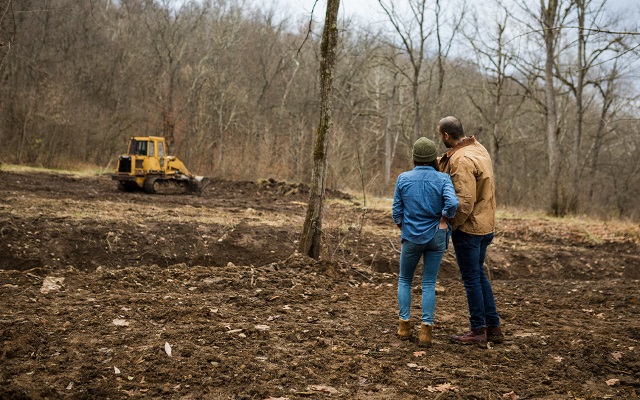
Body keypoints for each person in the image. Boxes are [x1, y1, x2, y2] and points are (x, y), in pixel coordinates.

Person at [436, 116, 504, 347]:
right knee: (479, 275)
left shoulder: (461, 160)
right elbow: (449, 163)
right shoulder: (477, 148)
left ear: (446, 135)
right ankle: (493, 326)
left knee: (472, 278)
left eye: (440, 135)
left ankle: (478, 330)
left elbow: (464, 202)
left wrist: (449, 224)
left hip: (470, 228)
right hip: (486, 225)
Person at [392, 137, 458, 347]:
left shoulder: (403, 179)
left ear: (415, 158)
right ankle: (425, 332)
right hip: (436, 235)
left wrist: (405, 227)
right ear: (432, 159)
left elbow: (396, 211)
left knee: (405, 280)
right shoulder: (443, 179)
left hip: (411, 236)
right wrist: (444, 218)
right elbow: (453, 202)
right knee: (428, 283)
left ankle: (404, 327)